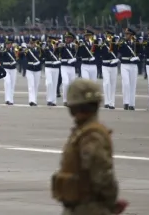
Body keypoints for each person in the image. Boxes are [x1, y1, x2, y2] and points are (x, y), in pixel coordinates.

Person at [51, 78, 127, 215]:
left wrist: (109, 204)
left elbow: (102, 175)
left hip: (90, 208)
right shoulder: (83, 132)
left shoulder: (92, 135)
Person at [116, 28, 142, 110]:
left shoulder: (136, 43)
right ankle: (126, 102)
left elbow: (141, 52)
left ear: (131, 35)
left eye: (128, 34)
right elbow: (118, 50)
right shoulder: (123, 42)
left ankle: (132, 104)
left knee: (132, 85)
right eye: (126, 34)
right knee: (126, 83)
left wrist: (137, 57)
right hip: (124, 64)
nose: (126, 35)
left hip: (133, 65)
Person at [97, 30, 119, 109]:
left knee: (113, 84)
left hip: (113, 65)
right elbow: (98, 54)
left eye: (109, 36)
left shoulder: (116, 44)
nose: (108, 37)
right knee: (106, 83)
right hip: (105, 65)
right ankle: (107, 101)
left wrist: (117, 59)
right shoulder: (103, 44)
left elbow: (120, 52)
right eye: (107, 36)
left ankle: (112, 103)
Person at [57, 31, 78, 106]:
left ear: (72, 39)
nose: (67, 39)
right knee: (65, 83)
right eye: (66, 38)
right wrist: (59, 47)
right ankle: (65, 100)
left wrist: (75, 59)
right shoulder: (62, 46)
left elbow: (78, 56)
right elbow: (57, 53)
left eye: (69, 38)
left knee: (72, 84)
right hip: (64, 66)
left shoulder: (74, 46)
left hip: (72, 67)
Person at [0, 38, 18, 105]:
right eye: (7, 44)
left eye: (9, 44)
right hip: (6, 68)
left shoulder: (15, 50)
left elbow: (17, 57)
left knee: (12, 84)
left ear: (11, 44)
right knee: (7, 82)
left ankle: (11, 99)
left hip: (13, 69)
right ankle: (7, 99)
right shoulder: (3, 50)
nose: (8, 45)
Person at [24, 36, 42, 106]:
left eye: (33, 43)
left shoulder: (39, 49)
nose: (32, 44)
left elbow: (42, 57)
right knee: (31, 85)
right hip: (30, 69)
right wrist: (26, 48)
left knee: (36, 86)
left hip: (37, 69)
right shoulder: (27, 50)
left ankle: (35, 100)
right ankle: (31, 100)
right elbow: (23, 55)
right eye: (31, 43)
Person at [43, 36, 60, 106]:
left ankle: (53, 101)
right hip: (48, 66)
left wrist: (57, 48)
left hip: (56, 67)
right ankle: (49, 100)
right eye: (49, 41)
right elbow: (45, 55)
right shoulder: (46, 48)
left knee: (54, 84)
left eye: (52, 41)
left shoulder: (58, 48)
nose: (50, 43)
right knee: (49, 83)